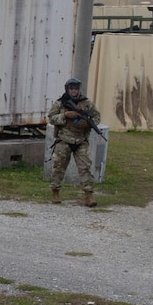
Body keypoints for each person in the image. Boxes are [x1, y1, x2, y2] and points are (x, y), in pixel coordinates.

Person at [48, 76, 101, 208]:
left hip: (80, 141)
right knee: (58, 167)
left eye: (76, 88)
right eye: (71, 88)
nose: (74, 91)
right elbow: (51, 118)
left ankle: (89, 196)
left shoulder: (86, 103)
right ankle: (55, 193)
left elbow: (96, 116)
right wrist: (64, 115)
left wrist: (88, 124)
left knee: (85, 168)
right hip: (64, 140)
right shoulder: (60, 103)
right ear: (67, 89)